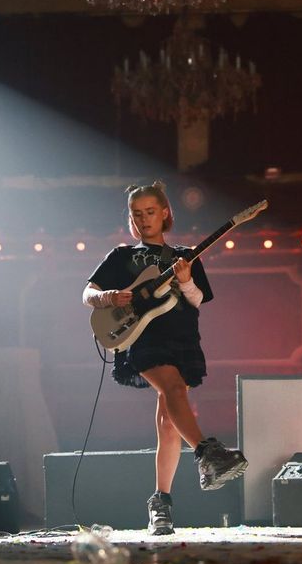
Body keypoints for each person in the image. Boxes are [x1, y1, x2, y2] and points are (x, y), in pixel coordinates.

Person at [83, 181, 247, 536]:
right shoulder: (122, 256)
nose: (144, 220)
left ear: (165, 213)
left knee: (169, 421)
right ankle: (207, 452)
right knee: (171, 387)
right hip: (143, 339)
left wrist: (186, 280)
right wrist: (107, 297)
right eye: (137, 214)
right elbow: (88, 292)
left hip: (183, 339)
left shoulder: (185, 255)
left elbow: (197, 299)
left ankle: (161, 503)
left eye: (150, 212)